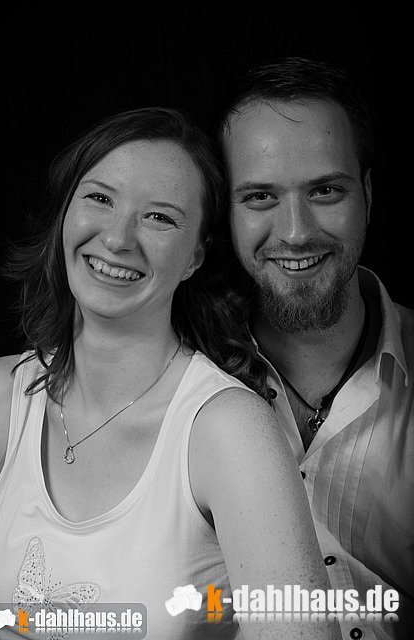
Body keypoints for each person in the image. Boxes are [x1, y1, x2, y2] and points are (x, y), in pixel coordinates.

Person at [0, 107, 335, 639]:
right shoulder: (3, 398)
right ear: (65, 213)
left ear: (195, 256)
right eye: (100, 198)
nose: (117, 239)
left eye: (159, 218)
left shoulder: (229, 431)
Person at [220, 57, 414, 640]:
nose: (297, 231)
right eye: (260, 197)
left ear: (368, 193)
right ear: (225, 211)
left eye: (326, 190)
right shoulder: (176, 372)